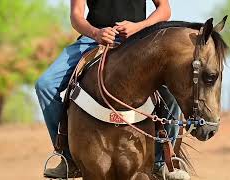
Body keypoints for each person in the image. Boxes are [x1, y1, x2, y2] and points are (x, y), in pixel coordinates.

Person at [35, 0, 182, 178]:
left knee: (171, 90)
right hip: (92, 41)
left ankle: (163, 162)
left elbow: (164, 9)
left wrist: (139, 27)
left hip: (139, 40)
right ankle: (67, 157)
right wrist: (96, 33)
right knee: (45, 85)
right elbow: (76, 16)